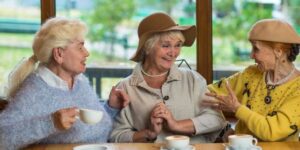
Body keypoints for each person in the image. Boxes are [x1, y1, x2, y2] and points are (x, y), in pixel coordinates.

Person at [0, 17, 129, 150]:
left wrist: (111, 107)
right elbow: (2, 137)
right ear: (59, 54)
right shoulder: (35, 90)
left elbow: (95, 127)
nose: (87, 53)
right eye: (80, 47)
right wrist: (50, 123)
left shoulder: (80, 81)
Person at [110, 12, 226, 143]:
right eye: (166, 45)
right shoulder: (125, 88)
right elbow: (116, 136)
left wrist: (177, 125)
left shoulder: (193, 79)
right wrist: (149, 133)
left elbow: (216, 119)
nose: (173, 53)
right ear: (147, 47)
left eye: (178, 45)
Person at [202, 19, 300, 141]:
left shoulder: (298, 88)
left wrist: (237, 108)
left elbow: (271, 131)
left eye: (256, 48)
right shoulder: (251, 73)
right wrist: (223, 129)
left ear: (278, 52)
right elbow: (207, 94)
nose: (251, 55)